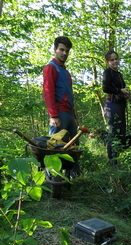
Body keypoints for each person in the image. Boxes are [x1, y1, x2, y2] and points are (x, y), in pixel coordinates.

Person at [43, 36, 80, 174]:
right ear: (55, 50)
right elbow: (48, 93)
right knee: (56, 147)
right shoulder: (50, 68)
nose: (64, 53)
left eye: (67, 51)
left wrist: (74, 117)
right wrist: (53, 115)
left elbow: (69, 95)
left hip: (69, 114)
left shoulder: (66, 72)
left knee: (73, 147)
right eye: (62, 50)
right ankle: (52, 180)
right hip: (58, 114)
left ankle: (74, 178)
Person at [102, 50, 130, 161]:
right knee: (113, 132)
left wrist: (125, 94)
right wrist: (120, 90)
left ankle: (116, 158)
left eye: (116, 59)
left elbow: (120, 89)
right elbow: (105, 88)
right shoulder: (107, 73)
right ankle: (111, 160)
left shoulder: (118, 74)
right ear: (108, 62)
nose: (115, 61)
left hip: (120, 104)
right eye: (112, 60)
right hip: (112, 105)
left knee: (121, 132)